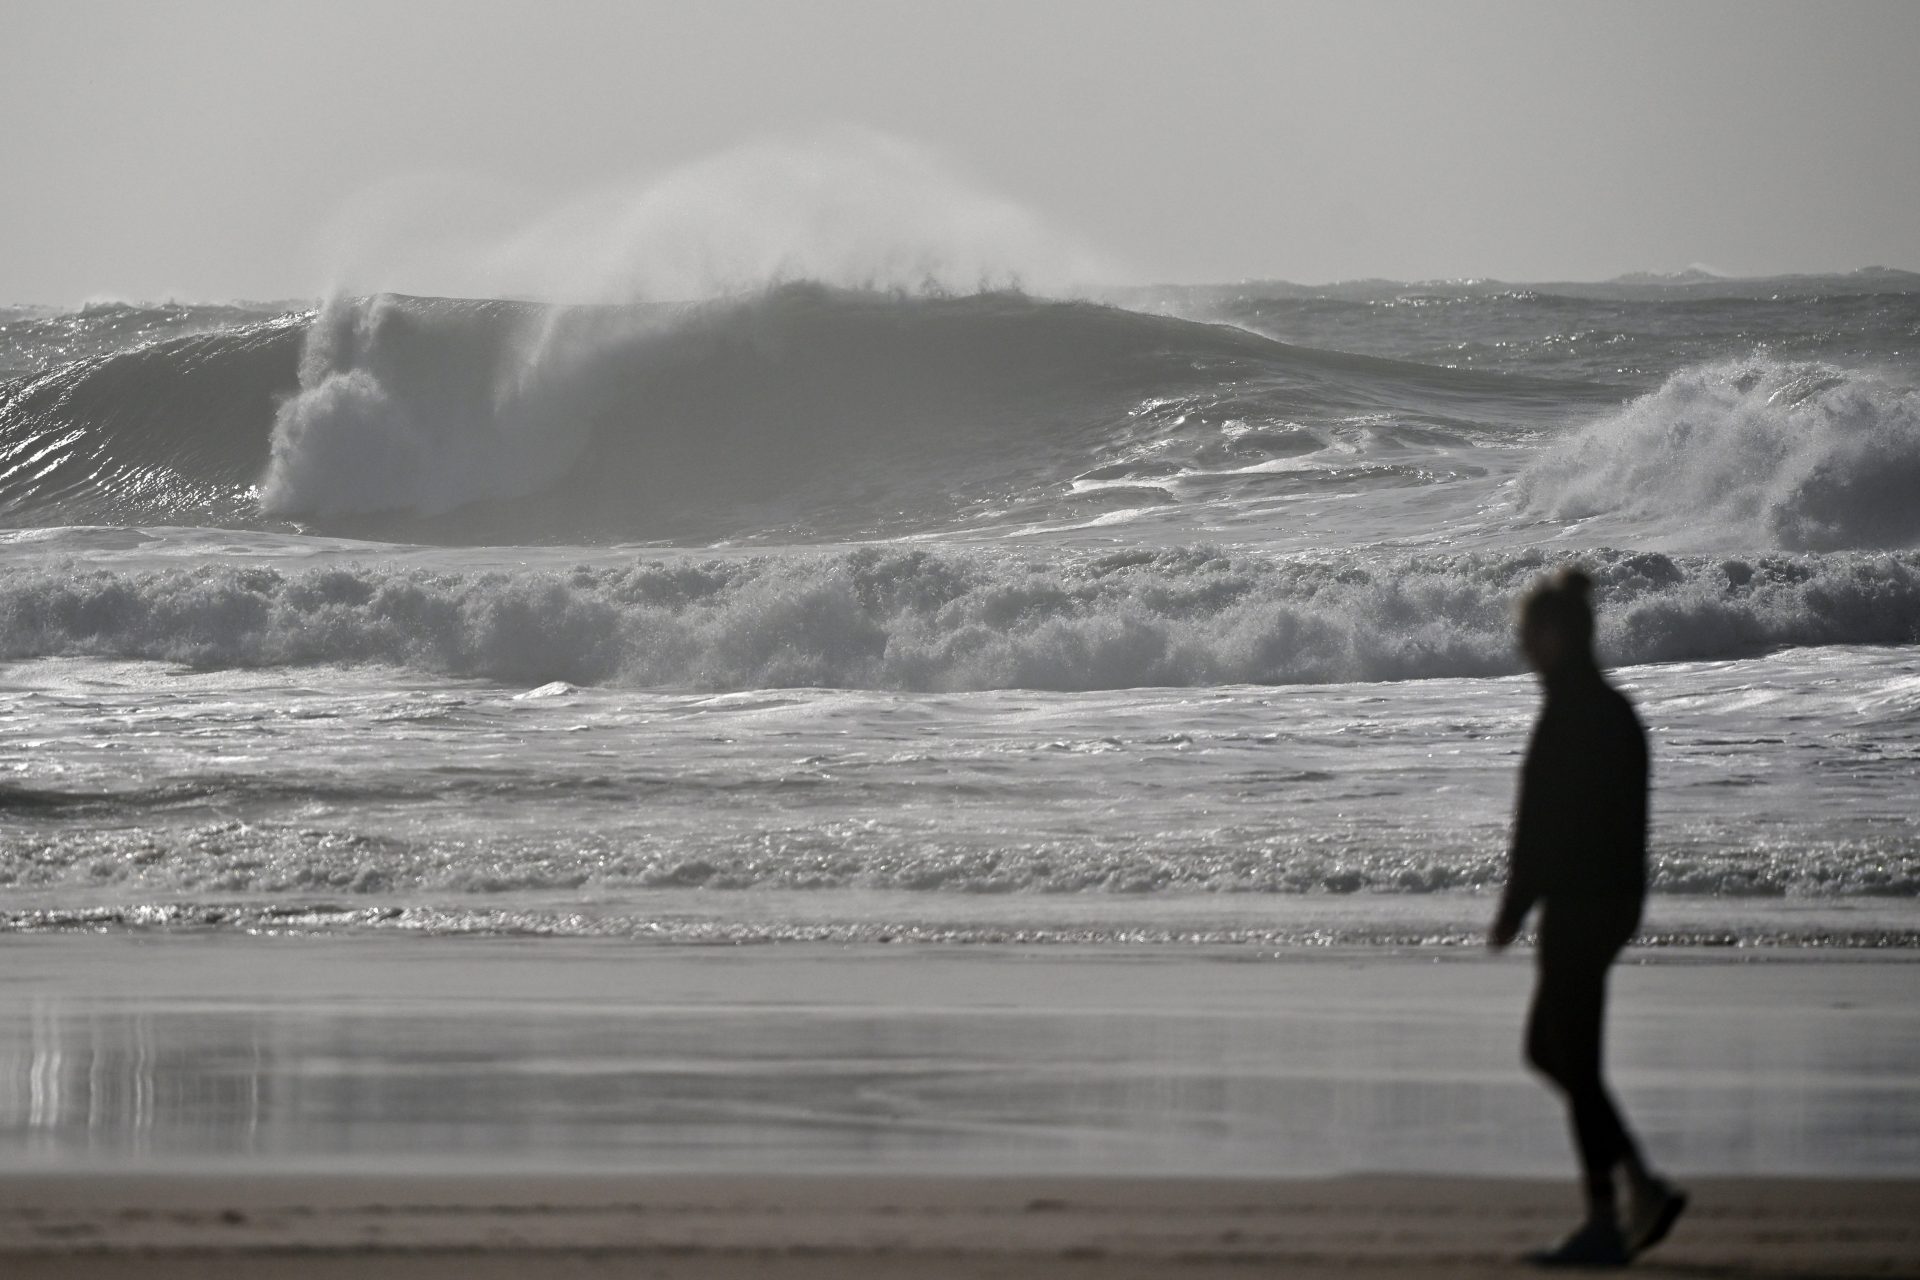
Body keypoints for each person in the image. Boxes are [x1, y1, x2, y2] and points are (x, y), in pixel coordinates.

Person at [1489, 567, 1687, 1268]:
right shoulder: (1612, 709)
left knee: (1566, 1053)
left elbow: (1542, 826)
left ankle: (1610, 1215)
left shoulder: (1571, 714)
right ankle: (1636, 1183)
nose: (1521, 645)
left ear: (1555, 636)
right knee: (1556, 1051)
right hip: (1612, 899)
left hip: (1581, 903)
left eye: (1528, 633)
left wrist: (1514, 907)